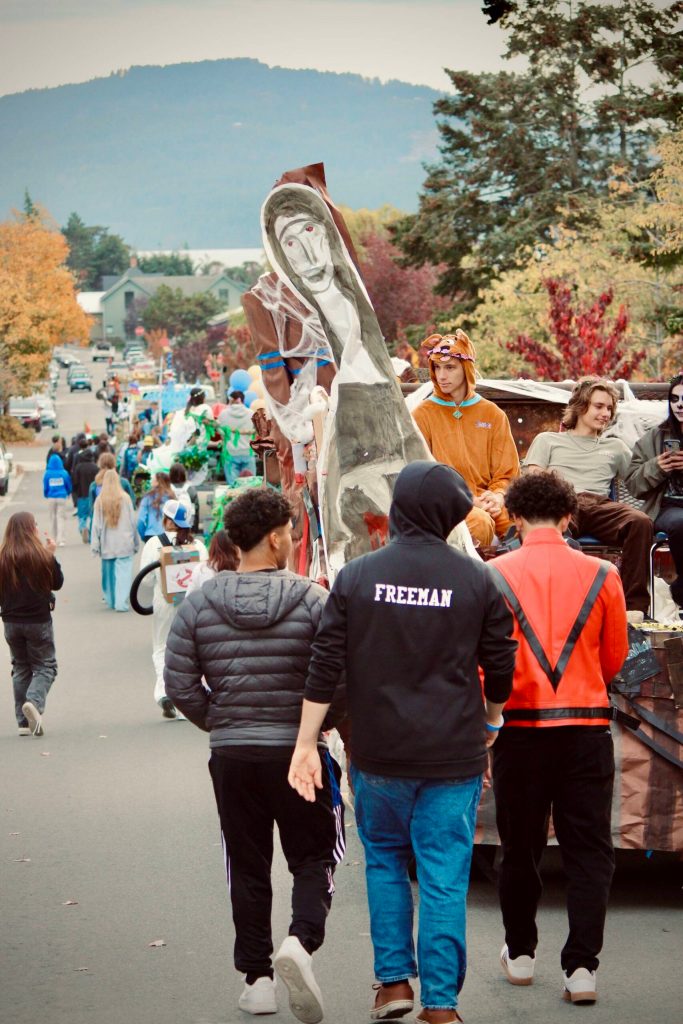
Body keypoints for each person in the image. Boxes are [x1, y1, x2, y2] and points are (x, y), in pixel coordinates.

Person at [288, 461, 516, 1024]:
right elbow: (501, 664)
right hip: (453, 753)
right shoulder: (477, 578)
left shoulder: (358, 576)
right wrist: (491, 721)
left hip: (379, 750)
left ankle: (393, 984)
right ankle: (441, 1005)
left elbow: (324, 665)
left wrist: (305, 742)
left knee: (386, 861)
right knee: (443, 874)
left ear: (399, 508)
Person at [164, 489, 345, 1022]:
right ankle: (300, 941)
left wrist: (218, 722)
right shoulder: (313, 600)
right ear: (275, 538)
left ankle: (258, 978)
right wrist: (319, 728)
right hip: (299, 753)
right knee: (314, 855)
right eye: (290, 531)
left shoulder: (199, 602)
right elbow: (342, 675)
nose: (292, 539)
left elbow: (179, 680)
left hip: (234, 756)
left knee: (246, 863)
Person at [487, 471, 628, 1005]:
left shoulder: (494, 574)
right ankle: (581, 969)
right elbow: (613, 657)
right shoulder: (603, 573)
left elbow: (488, 662)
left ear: (515, 518)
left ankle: (520, 954)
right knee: (590, 850)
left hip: (519, 729)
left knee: (519, 847)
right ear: (570, 517)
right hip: (586, 727)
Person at [523, 376, 653, 621]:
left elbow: (638, 482)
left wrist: (660, 465)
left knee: (640, 521)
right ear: (581, 406)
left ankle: (633, 608)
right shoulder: (548, 440)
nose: (606, 413)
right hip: (561, 501)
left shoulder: (615, 447)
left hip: (599, 506)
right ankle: (560, 604)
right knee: (551, 530)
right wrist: (554, 485)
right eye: (599, 406)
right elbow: (533, 481)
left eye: (610, 408)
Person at [412, 331, 520, 547]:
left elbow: (507, 472)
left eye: (450, 367)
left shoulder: (493, 414)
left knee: (525, 525)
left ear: (467, 369)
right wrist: (469, 502)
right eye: (437, 368)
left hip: (490, 502)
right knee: (479, 524)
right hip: (445, 505)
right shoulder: (422, 414)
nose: (442, 376)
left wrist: (497, 496)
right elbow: (419, 477)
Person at [139, 498, 208, 718]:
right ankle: (186, 701)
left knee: (161, 648)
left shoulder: (154, 544)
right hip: (192, 605)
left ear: (167, 520)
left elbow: (146, 580)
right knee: (189, 651)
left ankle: (163, 692)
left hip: (164, 603)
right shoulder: (197, 545)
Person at [0, 511, 64, 736]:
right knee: (46, 667)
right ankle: (34, 703)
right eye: (35, 525)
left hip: (11, 621)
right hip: (38, 621)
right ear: (30, 529)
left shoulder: (3, 556)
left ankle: (22, 723)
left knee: (20, 667)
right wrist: (51, 555)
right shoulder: (41, 555)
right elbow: (57, 584)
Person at [625, 372, 683, 608]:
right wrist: (656, 467)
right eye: (675, 399)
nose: (680, 405)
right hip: (668, 508)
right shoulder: (654, 437)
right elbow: (633, 484)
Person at [90, 470, 139, 612]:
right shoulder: (126, 498)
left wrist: (95, 545)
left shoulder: (100, 500)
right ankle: (121, 603)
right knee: (123, 574)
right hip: (125, 543)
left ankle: (111, 600)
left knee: (109, 575)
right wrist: (136, 542)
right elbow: (132, 522)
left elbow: (96, 525)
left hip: (107, 544)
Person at [218, 390, 257, 484]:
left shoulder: (223, 414)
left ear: (230, 400)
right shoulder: (251, 414)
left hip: (230, 453)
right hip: (248, 452)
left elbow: (220, 432)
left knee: (233, 487)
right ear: (243, 400)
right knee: (250, 485)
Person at [42, 453, 72, 547]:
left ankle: (53, 538)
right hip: (61, 497)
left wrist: (46, 494)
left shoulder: (47, 473)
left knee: (53, 518)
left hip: (51, 497)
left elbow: (45, 486)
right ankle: (61, 540)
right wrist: (68, 492)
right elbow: (68, 484)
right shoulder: (64, 473)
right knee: (61, 518)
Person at [136, 472, 175, 541]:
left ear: (158, 482)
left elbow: (140, 521)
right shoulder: (172, 498)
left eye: (153, 479)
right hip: (168, 536)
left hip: (151, 535)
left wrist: (144, 536)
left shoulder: (148, 497)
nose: (151, 481)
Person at [71, 447, 98, 542]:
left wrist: (74, 494)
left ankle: (82, 528)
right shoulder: (95, 467)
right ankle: (90, 533)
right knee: (92, 516)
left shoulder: (78, 467)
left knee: (82, 516)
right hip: (93, 497)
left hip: (81, 495)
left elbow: (74, 482)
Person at [169, 462, 200, 533]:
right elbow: (195, 510)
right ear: (184, 474)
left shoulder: (167, 489)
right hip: (187, 527)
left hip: (170, 528)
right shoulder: (191, 490)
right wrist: (195, 530)